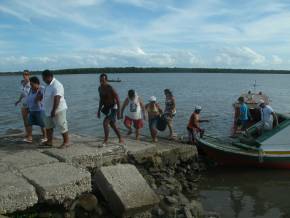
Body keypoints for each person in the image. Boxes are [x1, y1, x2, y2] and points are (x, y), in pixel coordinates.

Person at [42, 70, 69, 148]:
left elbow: (57, 98)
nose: (43, 80)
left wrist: (54, 110)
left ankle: (66, 142)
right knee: (48, 126)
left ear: (49, 77)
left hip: (58, 109)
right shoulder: (47, 85)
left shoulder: (57, 85)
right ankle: (49, 141)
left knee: (62, 125)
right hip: (47, 110)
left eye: (44, 78)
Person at [97, 73, 123, 145]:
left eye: (103, 80)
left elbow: (117, 99)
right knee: (112, 124)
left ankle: (106, 140)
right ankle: (120, 138)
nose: (102, 81)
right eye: (100, 80)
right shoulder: (100, 88)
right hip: (107, 108)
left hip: (113, 107)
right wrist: (98, 110)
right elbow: (101, 100)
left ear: (106, 80)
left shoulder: (110, 88)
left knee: (105, 123)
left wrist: (119, 112)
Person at [24, 76, 47, 143]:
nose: (31, 86)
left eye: (32, 84)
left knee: (42, 124)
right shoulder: (31, 89)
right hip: (31, 110)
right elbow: (29, 98)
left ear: (37, 83)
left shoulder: (42, 89)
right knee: (29, 123)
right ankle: (30, 137)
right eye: (30, 84)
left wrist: (39, 93)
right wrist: (28, 107)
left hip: (40, 110)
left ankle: (45, 137)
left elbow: (39, 99)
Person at [15, 70, 31, 137]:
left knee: (32, 119)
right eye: (24, 74)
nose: (25, 76)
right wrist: (18, 100)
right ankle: (27, 133)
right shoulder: (22, 83)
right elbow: (22, 93)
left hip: (31, 104)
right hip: (24, 104)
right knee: (25, 119)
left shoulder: (31, 83)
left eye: (26, 74)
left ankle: (30, 135)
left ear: (29, 75)